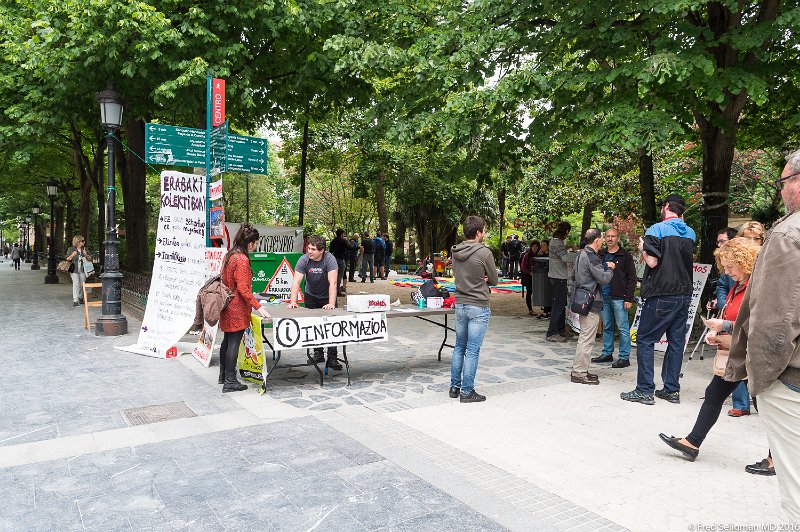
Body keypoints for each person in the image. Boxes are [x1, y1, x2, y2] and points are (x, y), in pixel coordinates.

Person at [727, 153, 800, 518]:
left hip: (790, 379)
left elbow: (773, 322)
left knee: (796, 492)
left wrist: (762, 380)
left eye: (783, 182)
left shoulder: (789, 234)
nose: (782, 190)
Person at [658, 237, 760, 460]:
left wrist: (724, 326)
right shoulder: (739, 284)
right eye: (725, 266)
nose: (727, 271)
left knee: (766, 407)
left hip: (755, 355)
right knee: (714, 394)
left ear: (745, 262)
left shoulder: (758, 286)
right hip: (739, 353)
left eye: (731, 266)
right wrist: (720, 332)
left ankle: (778, 458)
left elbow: (758, 323)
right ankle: (692, 442)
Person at [621, 194, 696, 405]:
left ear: (666, 207)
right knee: (676, 343)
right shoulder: (690, 233)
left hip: (661, 293)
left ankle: (645, 390)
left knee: (645, 340)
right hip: (684, 295)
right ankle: (671, 390)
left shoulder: (656, 229)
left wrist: (643, 248)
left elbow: (652, 262)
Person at [449, 215, 498, 403]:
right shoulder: (484, 252)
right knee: (472, 350)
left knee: (459, 346)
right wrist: (483, 278)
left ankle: (455, 386)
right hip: (478, 304)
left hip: (460, 303)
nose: (484, 233)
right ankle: (467, 391)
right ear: (478, 233)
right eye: (484, 230)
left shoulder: (456, 251)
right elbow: (494, 280)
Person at [219, 224, 271, 393]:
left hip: (226, 303)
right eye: (255, 244)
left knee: (227, 340)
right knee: (234, 342)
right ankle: (230, 381)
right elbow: (242, 288)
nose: (255, 247)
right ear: (250, 244)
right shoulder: (241, 259)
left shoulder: (229, 255)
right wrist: (258, 306)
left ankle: (223, 375)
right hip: (237, 307)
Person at [727, 222, 764, 417]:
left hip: (755, 325)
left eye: (756, 238)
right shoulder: (732, 264)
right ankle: (741, 403)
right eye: (748, 238)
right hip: (734, 317)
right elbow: (726, 285)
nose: (752, 242)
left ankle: (761, 404)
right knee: (736, 357)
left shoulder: (767, 262)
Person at [288, 235, 342, 370]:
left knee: (331, 326)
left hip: (327, 296)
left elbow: (333, 283)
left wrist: (331, 303)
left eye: (313, 249)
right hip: (311, 295)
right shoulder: (304, 259)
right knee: (313, 325)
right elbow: (296, 282)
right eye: (308, 248)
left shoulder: (330, 259)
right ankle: (318, 353)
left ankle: (333, 357)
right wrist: (293, 302)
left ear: (322, 250)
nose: (309, 251)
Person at [571, 229, 615, 384]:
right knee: (587, 338)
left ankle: (581, 369)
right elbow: (603, 279)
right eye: (602, 238)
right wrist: (610, 269)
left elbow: (573, 277)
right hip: (590, 302)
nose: (603, 241)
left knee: (585, 336)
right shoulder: (591, 256)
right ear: (597, 240)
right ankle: (579, 373)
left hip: (581, 299)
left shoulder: (581, 254)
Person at [591, 228, 637, 368]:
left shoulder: (625, 256)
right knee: (607, 326)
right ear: (605, 238)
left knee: (623, 328)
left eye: (613, 236)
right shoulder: (601, 254)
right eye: (608, 236)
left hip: (619, 297)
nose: (610, 238)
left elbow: (632, 278)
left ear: (618, 238)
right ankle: (607, 353)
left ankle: (624, 357)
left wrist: (628, 298)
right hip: (604, 296)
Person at [546, 221, 572, 342]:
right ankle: (552, 332)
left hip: (556, 276)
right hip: (559, 277)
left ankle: (561, 329)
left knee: (562, 304)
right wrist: (580, 254)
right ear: (566, 231)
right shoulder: (557, 243)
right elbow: (565, 258)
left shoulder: (555, 241)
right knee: (559, 305)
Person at [708, 227, 738, 312]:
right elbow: (722, 286)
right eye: (718, 242)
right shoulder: (721, 259)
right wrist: (723, 304)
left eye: (722, 241)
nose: (718, 245)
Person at [65, 236, 92, 306]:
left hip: (83, 270)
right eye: (82, 241)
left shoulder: (85, 249)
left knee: (82, 284)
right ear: (78, 242)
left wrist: (86, 254)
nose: (84, 242)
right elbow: (67, 259)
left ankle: (80, 297)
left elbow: (90, 259)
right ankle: (75, 300)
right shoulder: (71, 249)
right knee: (76, 284)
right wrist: (72, 255)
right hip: (74, 269)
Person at [520, 240, 540, 316]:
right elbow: (523, 267)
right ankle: (530, 309)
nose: (535, 248)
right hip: (528, 277)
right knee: (529, 292)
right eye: (533, 246)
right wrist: (530, 273)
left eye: (536, 246)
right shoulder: (527, 255)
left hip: (538, 277)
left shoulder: (539, 255)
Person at [329, 228, 348, 296]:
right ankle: (337, 291)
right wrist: (358, 247)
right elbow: (350, 248)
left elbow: (330, 251)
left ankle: (332, 289)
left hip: (334, 259)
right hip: (341, 259)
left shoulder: (333, 241)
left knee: (333, 276)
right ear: (342, 234)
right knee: (339, 276)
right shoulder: (343, 241)